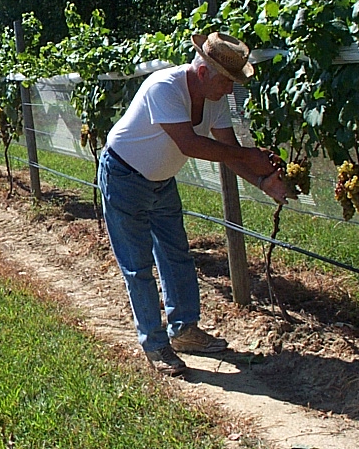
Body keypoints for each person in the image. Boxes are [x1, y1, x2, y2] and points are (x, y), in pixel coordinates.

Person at [98, 32, 294, 376]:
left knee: (176, 255)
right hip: (123, 177)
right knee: (138, 266)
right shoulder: (165, 87)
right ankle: (156, 345)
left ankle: (184, 331)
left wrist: (264, 182)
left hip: (161, 182)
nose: (230, 90)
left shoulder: (215, 98)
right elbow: (190, 144)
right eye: (226, 82)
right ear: (203, 73)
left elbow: (229, 152)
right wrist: (251, 155)